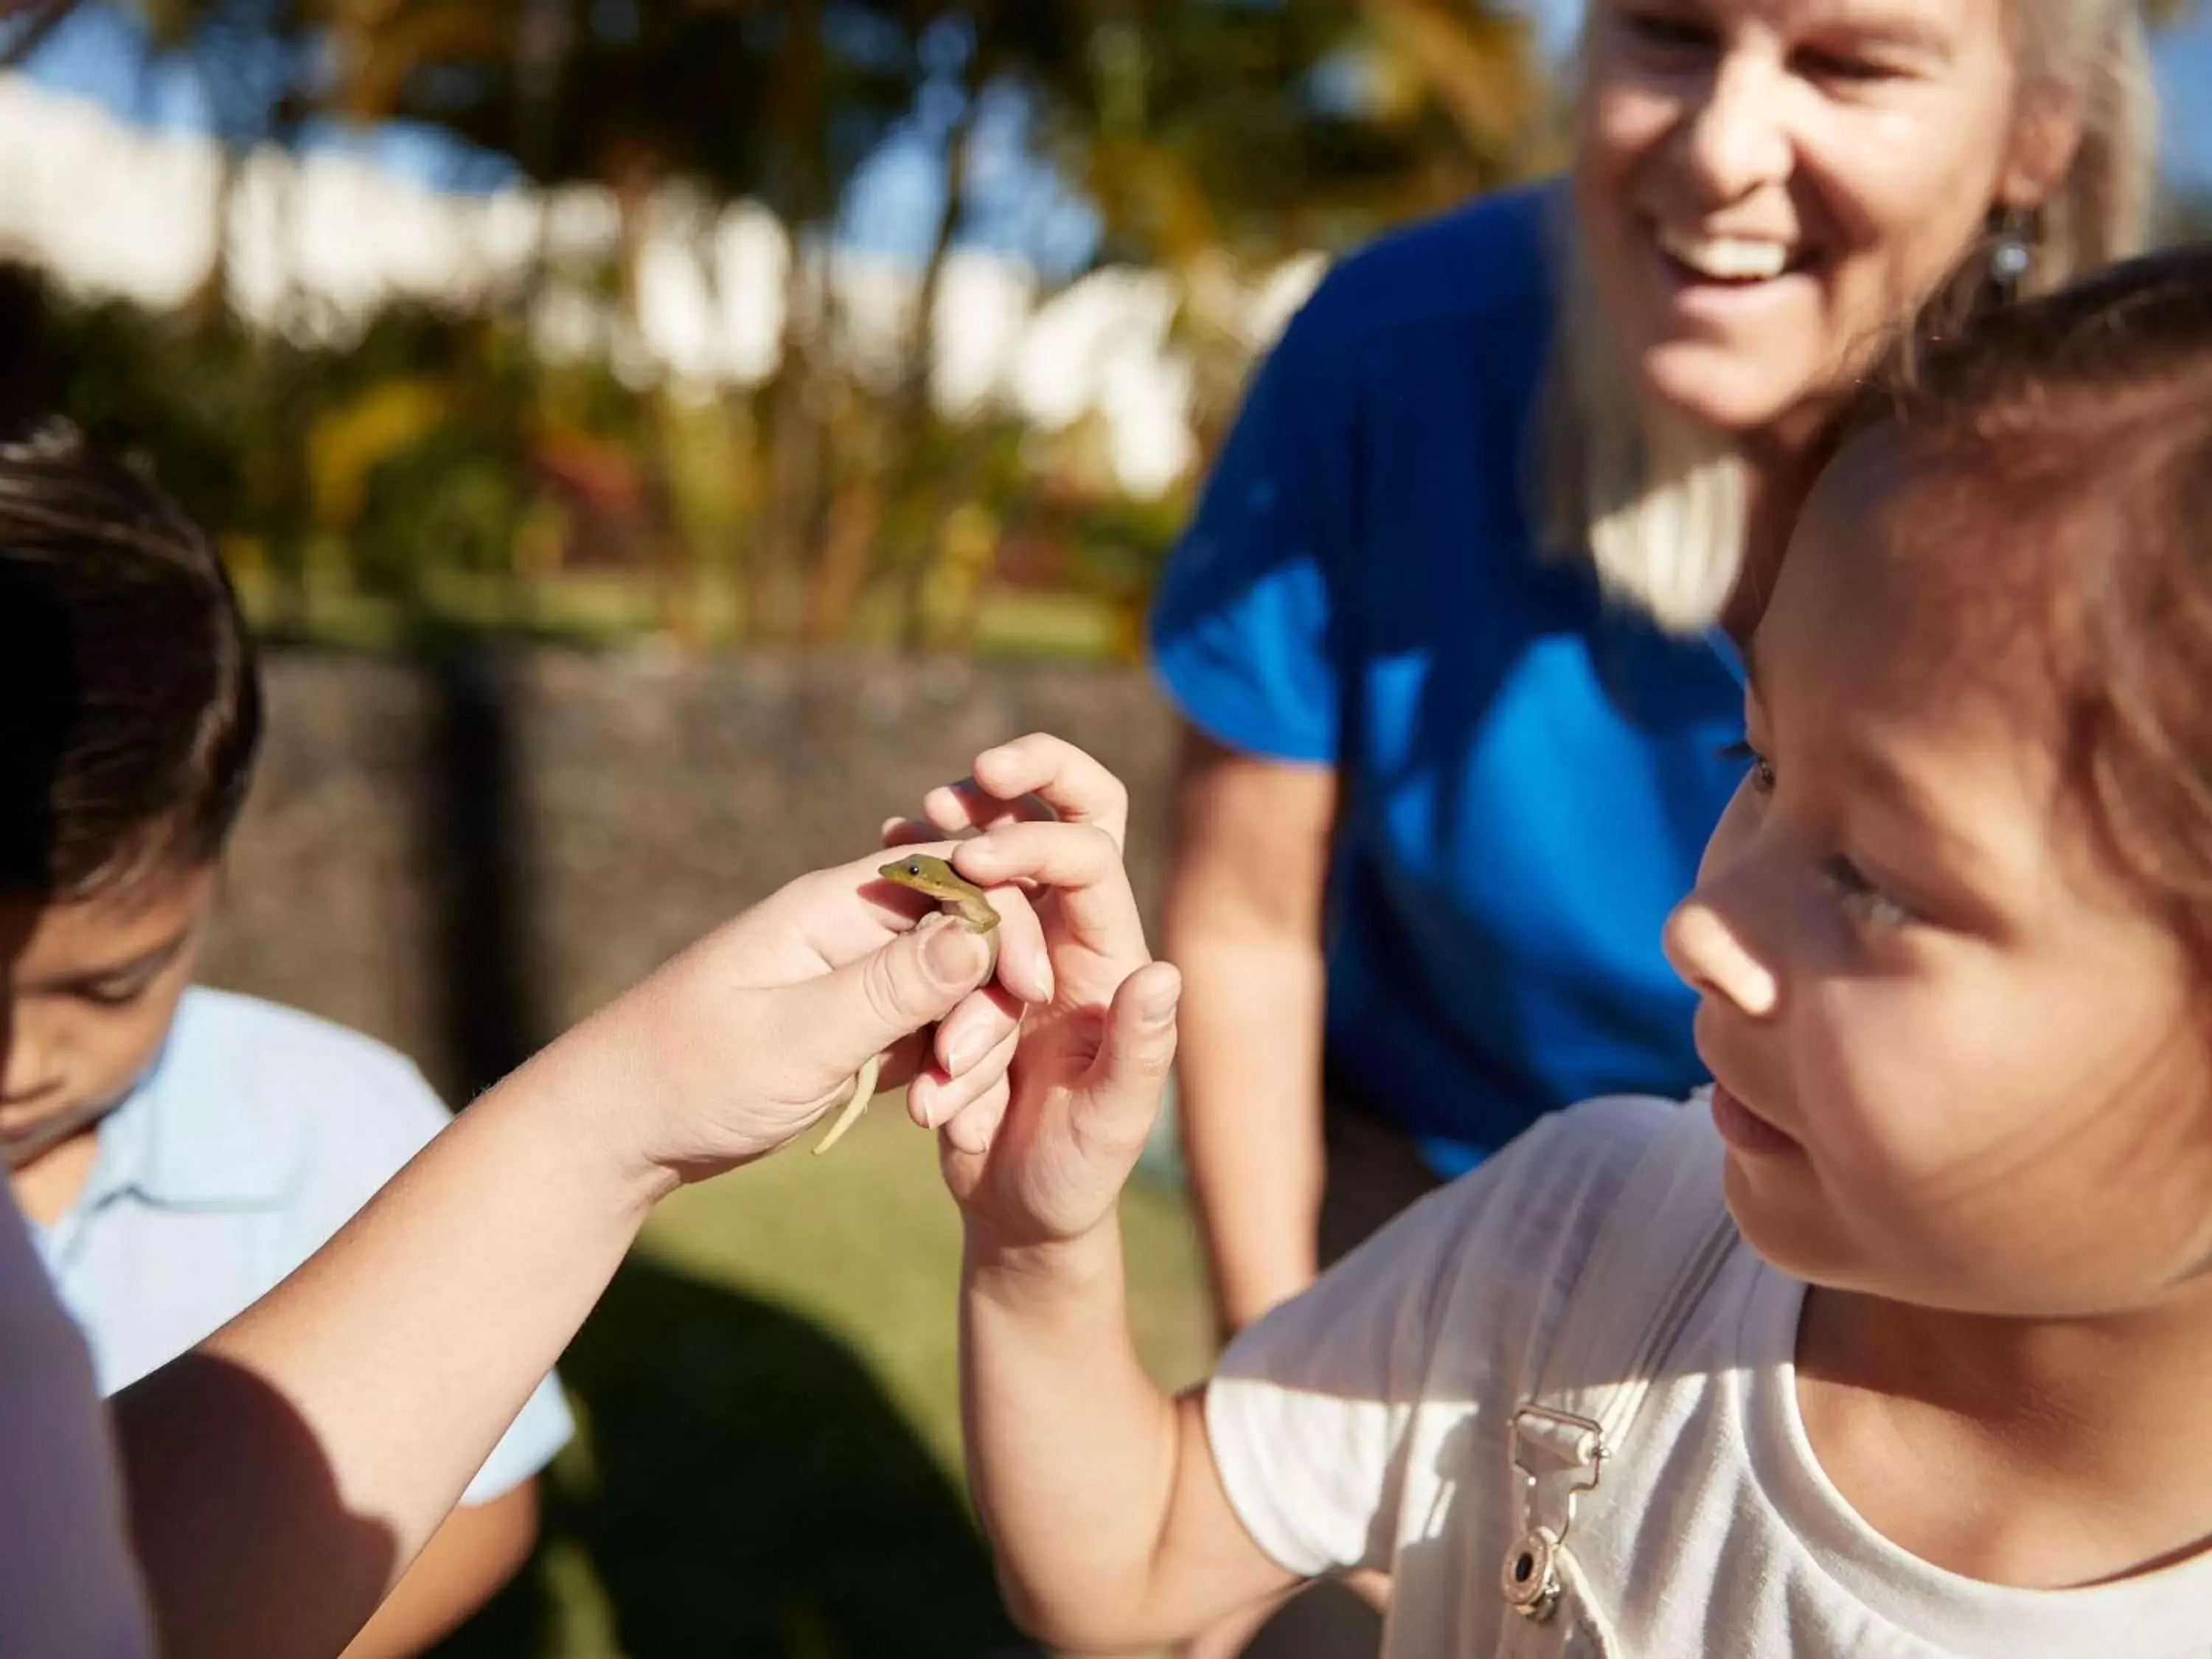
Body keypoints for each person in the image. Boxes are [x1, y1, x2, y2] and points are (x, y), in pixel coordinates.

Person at [951, 248, 2212, 1655]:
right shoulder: (1578, 1241)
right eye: (1762, 760)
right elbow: (1134, 1558)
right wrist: (1035, 1245)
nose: (1698, 921)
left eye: (1874, 881)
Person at [1153, 0, 2157, 1402]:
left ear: (2039, 131)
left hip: (1907, 1255)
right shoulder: (1391, 364)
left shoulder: (2161, 501)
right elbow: (1250, 923)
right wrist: (1272, 1383)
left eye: (1849, 62)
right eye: (1672, 35)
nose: (1724, 148)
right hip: (1435, 1184)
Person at [0, 726, 1142, 1657]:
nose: (25, 1054)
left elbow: (1122, 1591)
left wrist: (1034, 1232)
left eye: (105, 981)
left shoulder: (327, 1098)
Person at [0, 422, 571, 1656]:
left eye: (108, 986)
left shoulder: (342, 1118)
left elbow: (487, 1500)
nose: (17, 1059)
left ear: (211, 863)